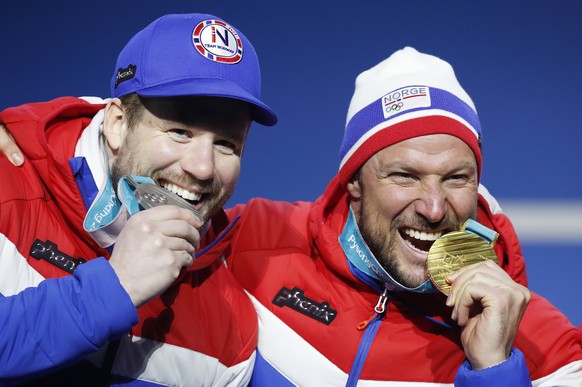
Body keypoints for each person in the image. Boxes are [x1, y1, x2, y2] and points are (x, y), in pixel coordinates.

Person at [222, 47, 582, 385]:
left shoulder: (550, 349)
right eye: (405, 176)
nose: (434, 207)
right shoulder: (249, 239)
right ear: (354, 182)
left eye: (456, 178)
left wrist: (495, 369)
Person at [0, 13, 276, 386]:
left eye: (227, 144)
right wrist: (115, 288)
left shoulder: (232, 329)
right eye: (180, 131)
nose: (203, 168)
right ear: (117, 124)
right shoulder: (9, 183)